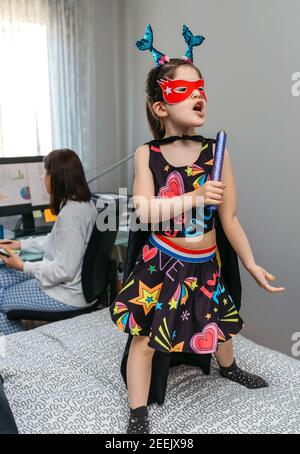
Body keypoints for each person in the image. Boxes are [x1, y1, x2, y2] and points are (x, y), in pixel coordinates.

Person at [109, 25, 285, 434]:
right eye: (183, 90)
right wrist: (194, 196)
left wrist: (252, 264)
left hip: (206, 261)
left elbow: (230, 219)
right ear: (160, 108)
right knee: (145, 336)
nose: (197, 95)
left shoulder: (216, 154)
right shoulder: (146, 155)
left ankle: (229, 367)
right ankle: (138, 412)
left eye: (200, 88)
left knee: (220, 320)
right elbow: (145, 211)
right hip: (161, 262)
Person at [0, 149, 98, 335]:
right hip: (72, 286)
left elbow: (64, 271)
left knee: (1, 300)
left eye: (46, 173)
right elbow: (59, 240)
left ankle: (19, 352)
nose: (44, 178)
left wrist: (23, 266)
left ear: (57, 178)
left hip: (66, 294)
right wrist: (20, 245)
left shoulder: (71, 215)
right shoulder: (82, 204)